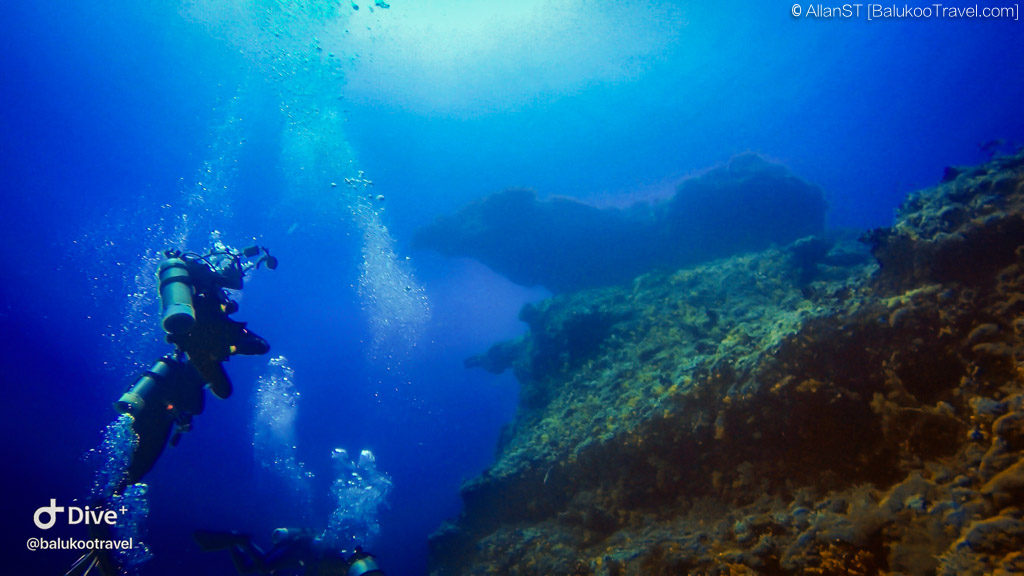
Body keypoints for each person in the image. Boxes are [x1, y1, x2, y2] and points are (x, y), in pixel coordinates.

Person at [158, 244, 276, 399]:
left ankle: (179, 390)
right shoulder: (205, 273)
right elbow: (236, 284)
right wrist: (235, 263)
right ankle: (226, 351)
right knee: (262, 345)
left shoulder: (179, 283)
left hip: (192, 341)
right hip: (219, 331)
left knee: (223, 390)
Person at [194, 527, 385, 576]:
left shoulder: (340, 566)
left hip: (301, 554)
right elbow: (313, 570)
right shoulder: (336, 567)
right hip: (300, 548)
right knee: (265, 567)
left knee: (246, 568)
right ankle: (242, 540)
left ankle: (234, 541)